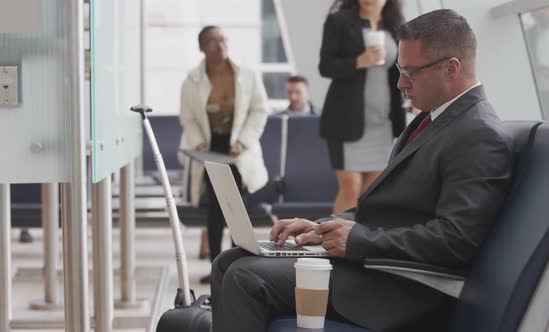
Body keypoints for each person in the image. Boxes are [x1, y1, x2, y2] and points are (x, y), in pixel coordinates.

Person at [209, 9, 514, 331]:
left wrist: (360, 240)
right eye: (399, 69)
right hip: (375, 268)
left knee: (246, 277)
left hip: (401, 289)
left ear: (451, 69)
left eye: (410, 72)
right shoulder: (433, 121)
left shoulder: (479, 134)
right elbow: (386, 209)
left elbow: (456, 240)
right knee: (228, 261)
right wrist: (322, 226)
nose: (400, 83)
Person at [178, 25, 269, 282]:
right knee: (215, 210)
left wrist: (243, 141)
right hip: (211, 148)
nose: (220, 45)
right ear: (201, 47)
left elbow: (259, 110)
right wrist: (198, 143)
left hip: (238, 148)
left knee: (237, 208)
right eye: (212, 40)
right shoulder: (192, 81)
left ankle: (239, 264)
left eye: (223, 39)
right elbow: (188, 119)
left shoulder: (247, 75)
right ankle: (217, 266)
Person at [319, 0, 407, 214]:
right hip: (346, 120)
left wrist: (409, 96)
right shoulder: (338, 21)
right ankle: (331, 242)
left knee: (371, 191)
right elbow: (326, 66)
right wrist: (360, 61)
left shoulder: (396, 25)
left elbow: (402, 69)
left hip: (382, 122)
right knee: (350, 186)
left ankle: (355, 242)